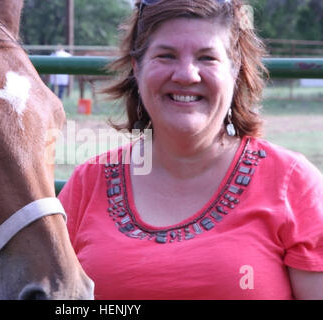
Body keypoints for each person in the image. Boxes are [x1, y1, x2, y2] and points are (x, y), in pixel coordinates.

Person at [58, 0, 323, 300]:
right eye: (166, 55)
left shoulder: (292, 183)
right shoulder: (87, 183)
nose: (186, 75)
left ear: (235, 69)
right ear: (137, 68)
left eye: (207, 57)